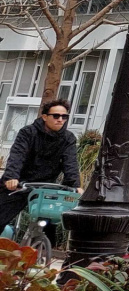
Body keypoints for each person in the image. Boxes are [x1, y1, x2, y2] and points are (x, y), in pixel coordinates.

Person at [0, 99, 79, 244]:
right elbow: (17, 155)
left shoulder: (68, 138)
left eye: (64, 117)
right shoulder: (28, 132)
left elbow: (71, 163)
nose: (60, 120)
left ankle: (42, 251)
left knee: (50, 224)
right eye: (56, 116)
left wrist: (75, 185)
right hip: (20, 183)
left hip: (45, 186)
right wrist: (11, 177)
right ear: (44, 117)